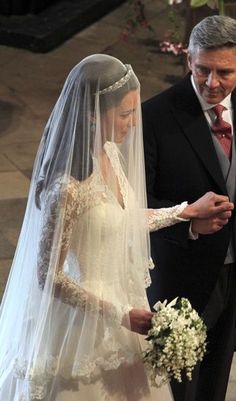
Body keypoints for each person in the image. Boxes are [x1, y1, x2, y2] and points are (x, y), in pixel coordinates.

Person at [0, 54, 233, 401]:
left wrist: (185, 212)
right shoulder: (65, 190)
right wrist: (119, 314)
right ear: (94, 113)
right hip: (82, 325)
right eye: (125, 114)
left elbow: (125, 217)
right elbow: (49, 276)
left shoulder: (109, 152)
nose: (132, 124)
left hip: (127, 304)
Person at [142, 14, 236, 401]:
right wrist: (190, 224)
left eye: (225, 72)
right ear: (188, 62)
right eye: (203, 70)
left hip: (234, 279)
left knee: (217, 380)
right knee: (180, 387)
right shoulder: (155, 116)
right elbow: (137, 205)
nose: (213, 83)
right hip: (182, 278)